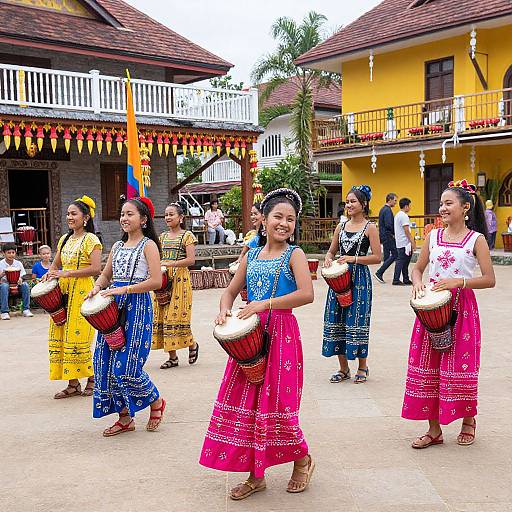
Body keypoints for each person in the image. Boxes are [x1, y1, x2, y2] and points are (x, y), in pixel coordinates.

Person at [200, 188, 315, 499]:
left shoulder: (296, 254)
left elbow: (307, 294)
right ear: (264, 220)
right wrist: (224, 308)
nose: (284, 223)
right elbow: (230, 291)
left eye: (291, 219)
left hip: (282, 334)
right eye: (278, 216)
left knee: (278, 403)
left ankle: (302, 460)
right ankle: (256, 475)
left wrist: (264, 304)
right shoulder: (250, 255)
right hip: (248, 337)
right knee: (248, 404)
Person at [403, 179, 495, 448]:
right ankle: (434, 430)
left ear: (465, 207)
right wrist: (418, 282)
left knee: (459, 365)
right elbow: (417, 268)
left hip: (462, 309)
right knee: (428, 365)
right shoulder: (433, 236)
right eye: (441, 203)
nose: (442, 208)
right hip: (432, 307)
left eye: (448, 203)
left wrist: (460, 282)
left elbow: (489, 279)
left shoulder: (476, 240)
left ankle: (468, 419)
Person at [88, 197, 166, 436]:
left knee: (127, 367)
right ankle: (124, 418)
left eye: (130, 214)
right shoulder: (118, 247)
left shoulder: (149, 245)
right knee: (105, 363)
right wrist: (97, 288)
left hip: (137, 308)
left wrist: (125, 289)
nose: (124, 218)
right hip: (112, 308)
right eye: (122, 214)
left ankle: (156, 401)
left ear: (143, 220)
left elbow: (156, 281)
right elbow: (105, 275)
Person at [43, 196, 101, 398]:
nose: (69, 217)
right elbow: (55, 264)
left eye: (73, 213)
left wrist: (67, 273)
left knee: (78, 336)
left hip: (83, 291)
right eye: (68, 213)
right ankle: (73, 383)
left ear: (85, 217)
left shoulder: (91, 240)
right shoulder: (64, 239)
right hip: (64, 290)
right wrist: (49, 274)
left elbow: (96, 268)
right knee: (62, 333)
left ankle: (92, 378)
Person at [322, 185, 381, 383]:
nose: (349, 205)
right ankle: (343, 368)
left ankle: (363, 366)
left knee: (357, 322)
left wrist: (353, 259)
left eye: (353, 201)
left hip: (360, 281)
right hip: (339, 280)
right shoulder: (341, 226)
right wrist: (329, 259)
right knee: (337, 321)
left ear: (364, 204)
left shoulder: (370, 228)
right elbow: (331, 251)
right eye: (347, 202)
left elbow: (377, 257)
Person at [152, 202, 199, 369]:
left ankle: (192, 344)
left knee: (177, 316)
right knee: (164, 316)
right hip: (164, 279)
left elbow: (191, 260)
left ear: (181, 218)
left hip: (180, 280)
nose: (168, 217)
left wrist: (170, 264)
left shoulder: (187, 236)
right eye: (166, 215)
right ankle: (173, 357)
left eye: (171, 214)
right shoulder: (162, 237)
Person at [0, 242, 33, 320]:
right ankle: (4, 312)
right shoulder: (0, 264)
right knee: (4, 286)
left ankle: (26, 309)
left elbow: (22, 275)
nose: (11, 254)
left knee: (25, 285)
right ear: (3, 253)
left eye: (13, 252)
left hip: (16, 285)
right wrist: (2, 274)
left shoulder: (18, 263)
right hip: (4, 286)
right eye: (9, 253)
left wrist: (20, 279)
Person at [374, 192, 397, 283]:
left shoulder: (382, 209)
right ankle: (379, 272)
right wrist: (394, 233)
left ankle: (380, 274)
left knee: (387, 256)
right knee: (395, 254)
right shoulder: (387, 210)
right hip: (388, 235)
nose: (395, 203)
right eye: (395, 200)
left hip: (383, 235)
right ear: (390, 200)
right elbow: (388, 225)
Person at [392, 197, 416, 286]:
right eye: (409, 206)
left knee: (404, 261)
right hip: (404, 242)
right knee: (402, 261)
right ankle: (396, 279)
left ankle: (405, 278)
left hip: (400, 241)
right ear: (406, 206)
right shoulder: (404, 216)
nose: (410, 207)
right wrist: (412, 241)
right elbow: (406, 230)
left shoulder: (398, 215)